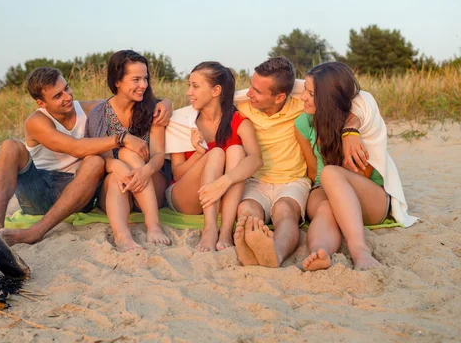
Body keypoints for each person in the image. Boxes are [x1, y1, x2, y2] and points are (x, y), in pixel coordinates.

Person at [0, 66, 172, 245]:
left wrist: (165, 103)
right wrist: (121, 138)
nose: (67, 97)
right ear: (42, 104)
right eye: (58, 96)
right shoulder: (37, 121)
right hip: (39, 192)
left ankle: (36, 231)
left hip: (79, 189)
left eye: (66, 88)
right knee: (10, 146)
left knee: (94, 162)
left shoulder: (90, 108)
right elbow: (75, 148)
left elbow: (125, 100)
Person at [232, 57, 369, 268]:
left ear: (280, 97)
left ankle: (275, 254)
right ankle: (250, 247)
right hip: (257, 181)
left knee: (285, 212)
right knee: (247, 209)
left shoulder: (301, 108)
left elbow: (354, 104)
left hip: (292, 182)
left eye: (257, 91)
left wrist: (351, 128)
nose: (249, 93)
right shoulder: (243, 107)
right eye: (251, 86)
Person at [295, 62, 415, 270]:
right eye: (304, 89)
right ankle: (320, 251)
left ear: (329, 97)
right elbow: (314, 172)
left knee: (331, 174)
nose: (303, 96)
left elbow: (364, 173)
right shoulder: (303, 124)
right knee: (325, 206)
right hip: (323, 191)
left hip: (369, 198)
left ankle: (360, 251)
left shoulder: (362, 121)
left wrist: (347, 134)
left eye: (311, 93)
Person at [166, 62, 262, 252]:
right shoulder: (182, 121)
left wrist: (225, 181)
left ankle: (225, 231)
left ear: (216, 90)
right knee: (216, 153)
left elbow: (256, 159)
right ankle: (210, 229)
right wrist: (200, 154)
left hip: (221, 196)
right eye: (189, 85)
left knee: (236, 151)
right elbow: (177, 172)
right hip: (186, 197)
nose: (189, 92)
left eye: (195, 86)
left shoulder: (238, 122)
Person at [86, 50, 171, 252]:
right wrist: (116, 166)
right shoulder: (100, 113)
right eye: (136, 79)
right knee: (122, 158)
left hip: (150, 182)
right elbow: (99, 157)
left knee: (128, 154)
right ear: (117, 81)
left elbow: (158, 155)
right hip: (117, 187)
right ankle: (122, 236)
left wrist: (145, 171)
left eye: (145, 78)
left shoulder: (153, 109)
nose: (143, 85)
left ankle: (153, 225)